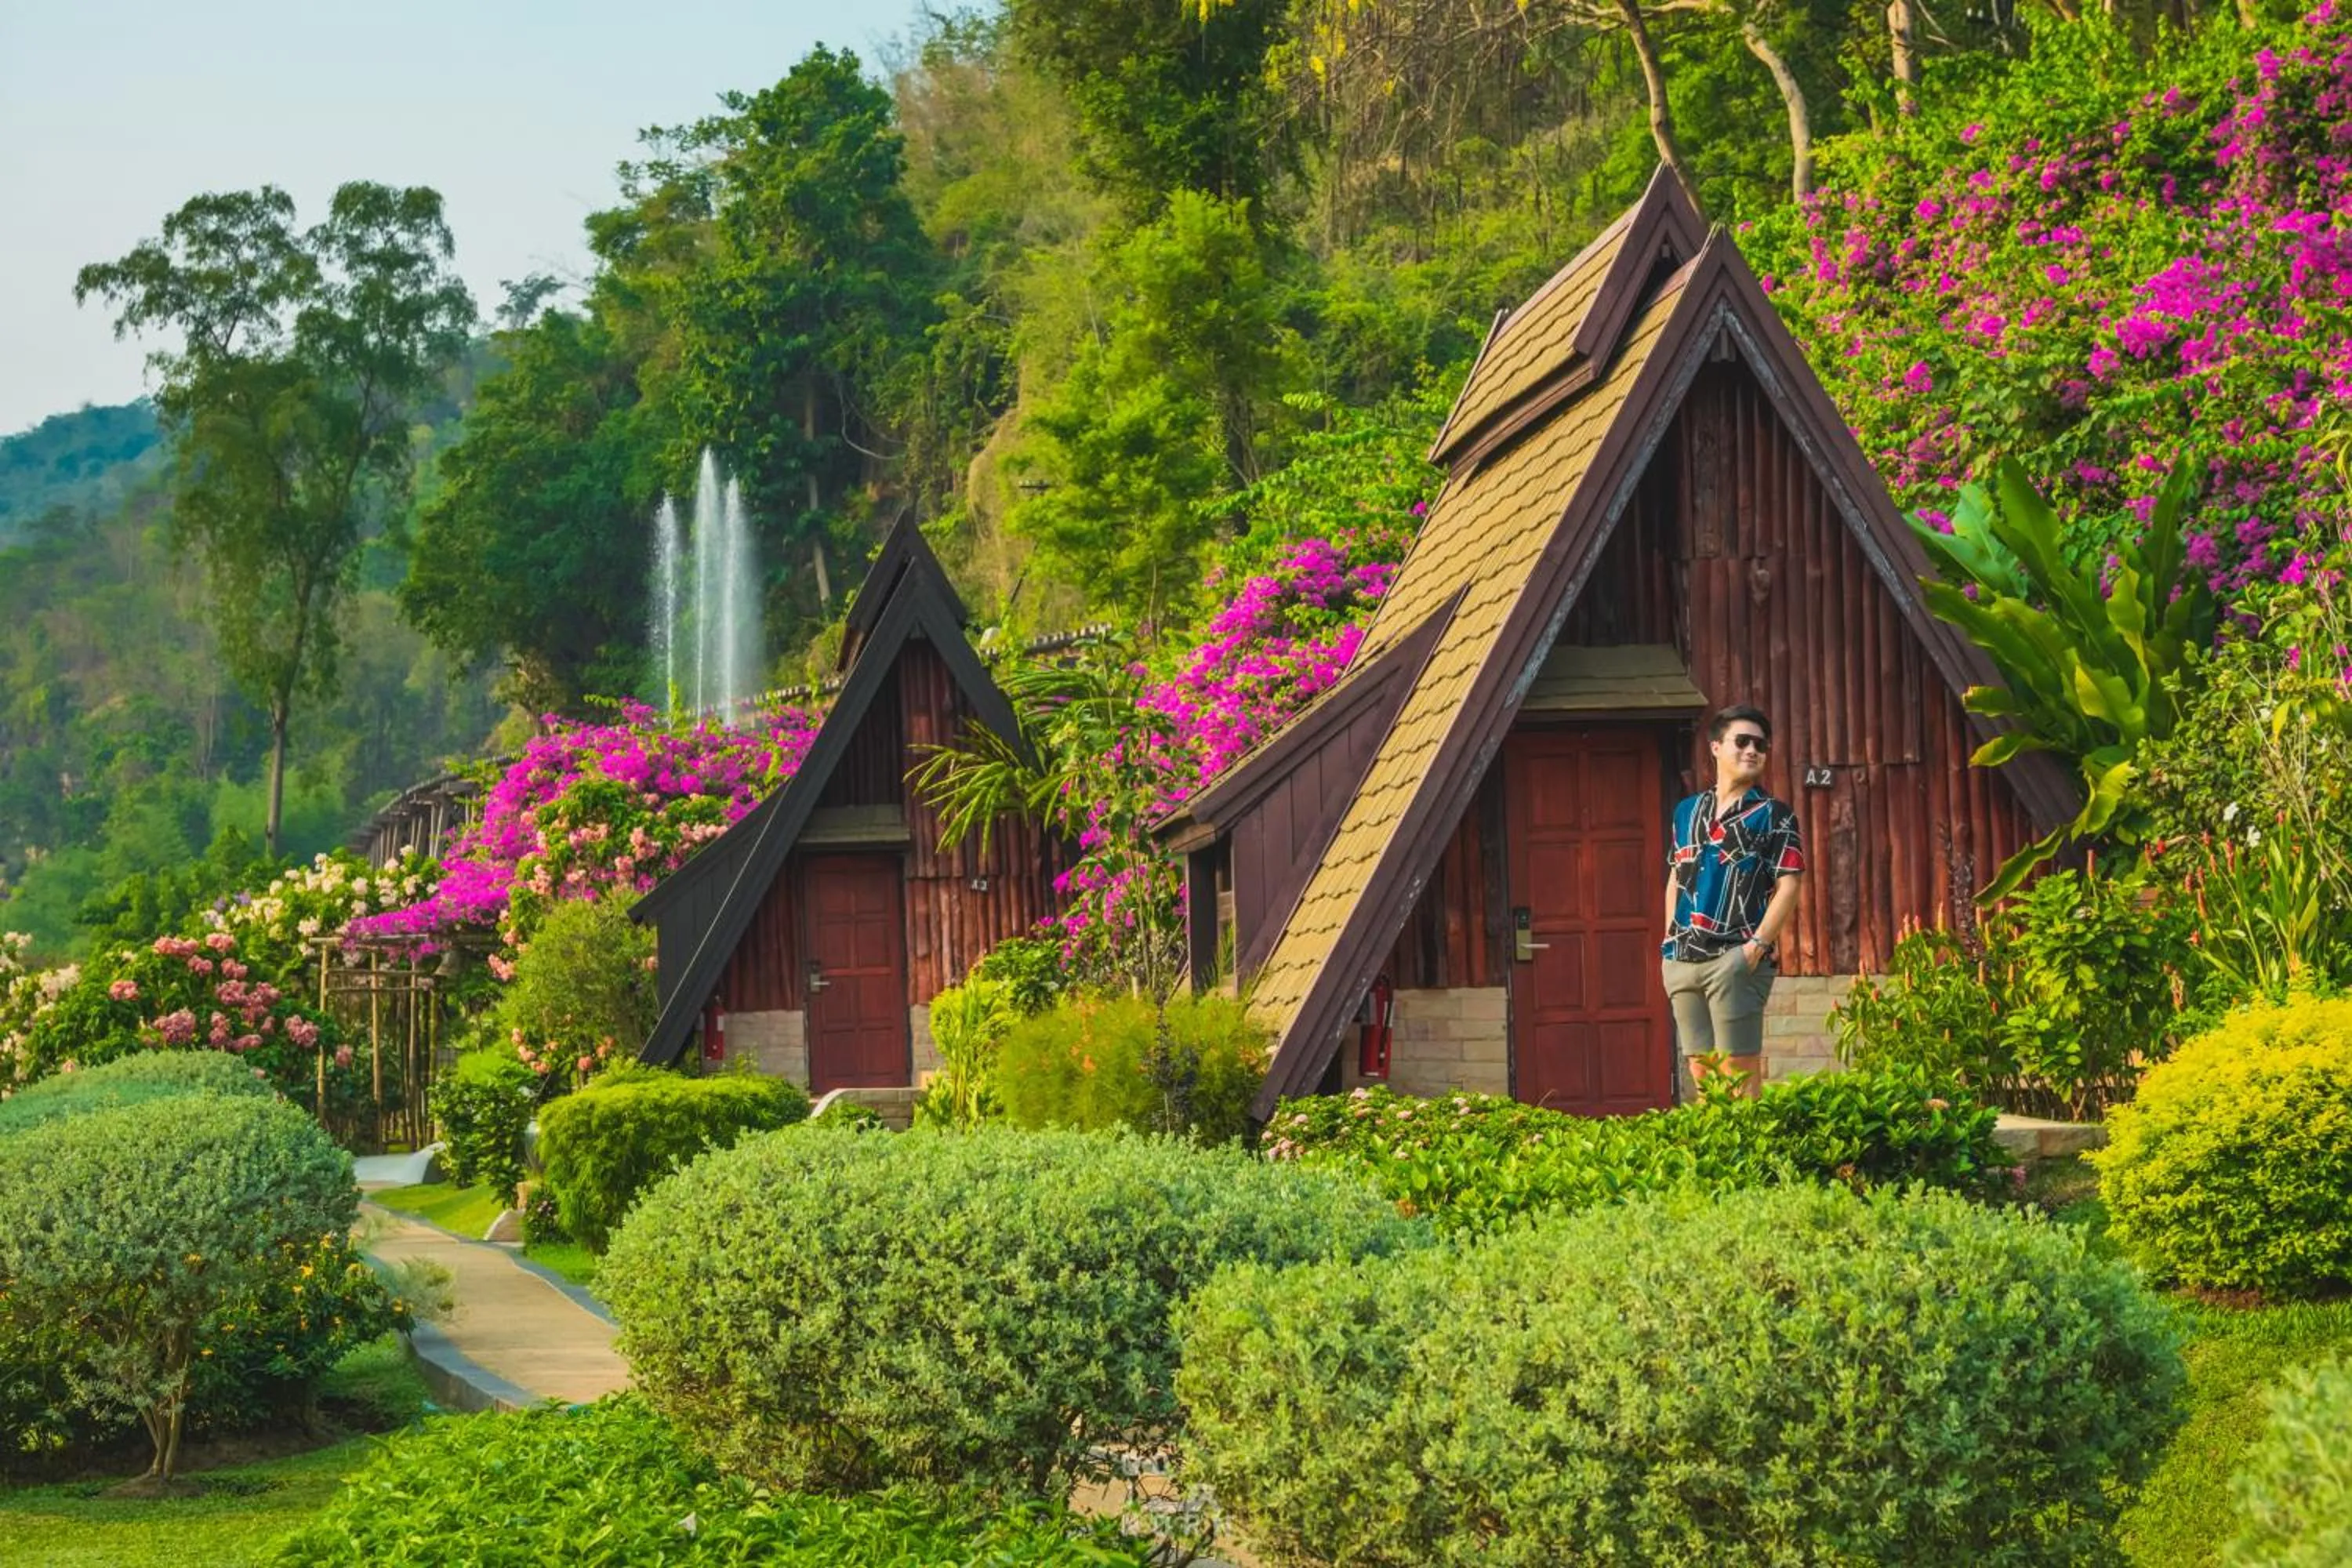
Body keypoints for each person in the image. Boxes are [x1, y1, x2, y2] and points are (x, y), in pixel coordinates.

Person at [1661, 703, 1805, 1098]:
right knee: (1705, 1079)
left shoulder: (1775, 815)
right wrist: (1670, 939)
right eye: (1742, 741)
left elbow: (1789, 883)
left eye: (1760, 744)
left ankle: (1751, 1158)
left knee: (1740, 1082)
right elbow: (1676, 873)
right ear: (1716, 748)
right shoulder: (1687, 812)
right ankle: (1715, 1158)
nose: (1752, 750)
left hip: (1735, 959)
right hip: (1682, 960)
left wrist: (1756, 947)